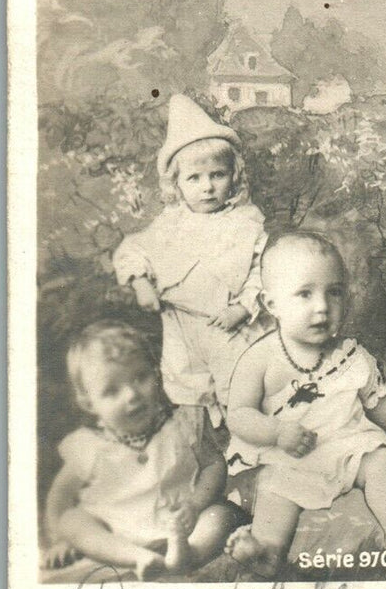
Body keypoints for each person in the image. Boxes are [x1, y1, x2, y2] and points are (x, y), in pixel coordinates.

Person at [224, 232, 386, 577]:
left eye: (335, 292)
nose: (323, 307)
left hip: (349, 447)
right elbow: (238, 415)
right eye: (304, 294)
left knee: (383, 460)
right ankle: (267, 550)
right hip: (289, 456)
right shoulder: (260, 360)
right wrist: (277, 432)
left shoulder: (352, 355)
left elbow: (382, 400)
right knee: (274, 488)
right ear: (272, 304)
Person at [41, 321, 244, 579]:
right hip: (117, 531)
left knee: (220, 515)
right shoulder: (89, 445)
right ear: (89, 403)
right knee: (72, 520)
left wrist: (195, 505)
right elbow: (60, 496)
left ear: (156, 374)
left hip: (183, 523)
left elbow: (214, 465)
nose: (131, 395)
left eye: (140, 377)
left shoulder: (182, 424)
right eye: (112, 390)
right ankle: (139, 558)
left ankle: (187, 555)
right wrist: (60, 540)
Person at [113, 94, 270, 422]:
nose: (208, 187)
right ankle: (202, 443)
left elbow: (260, 270)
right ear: (177, 184)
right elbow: (133, 250)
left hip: (231, 325)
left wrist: (242, 307)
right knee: (187, 389)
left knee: (241, 388)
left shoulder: (245, 221)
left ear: (234, 176)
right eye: (194, 178)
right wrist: (141, 282)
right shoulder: (171, 223)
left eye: (218, 174)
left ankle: (246, 443)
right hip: (181, 324)